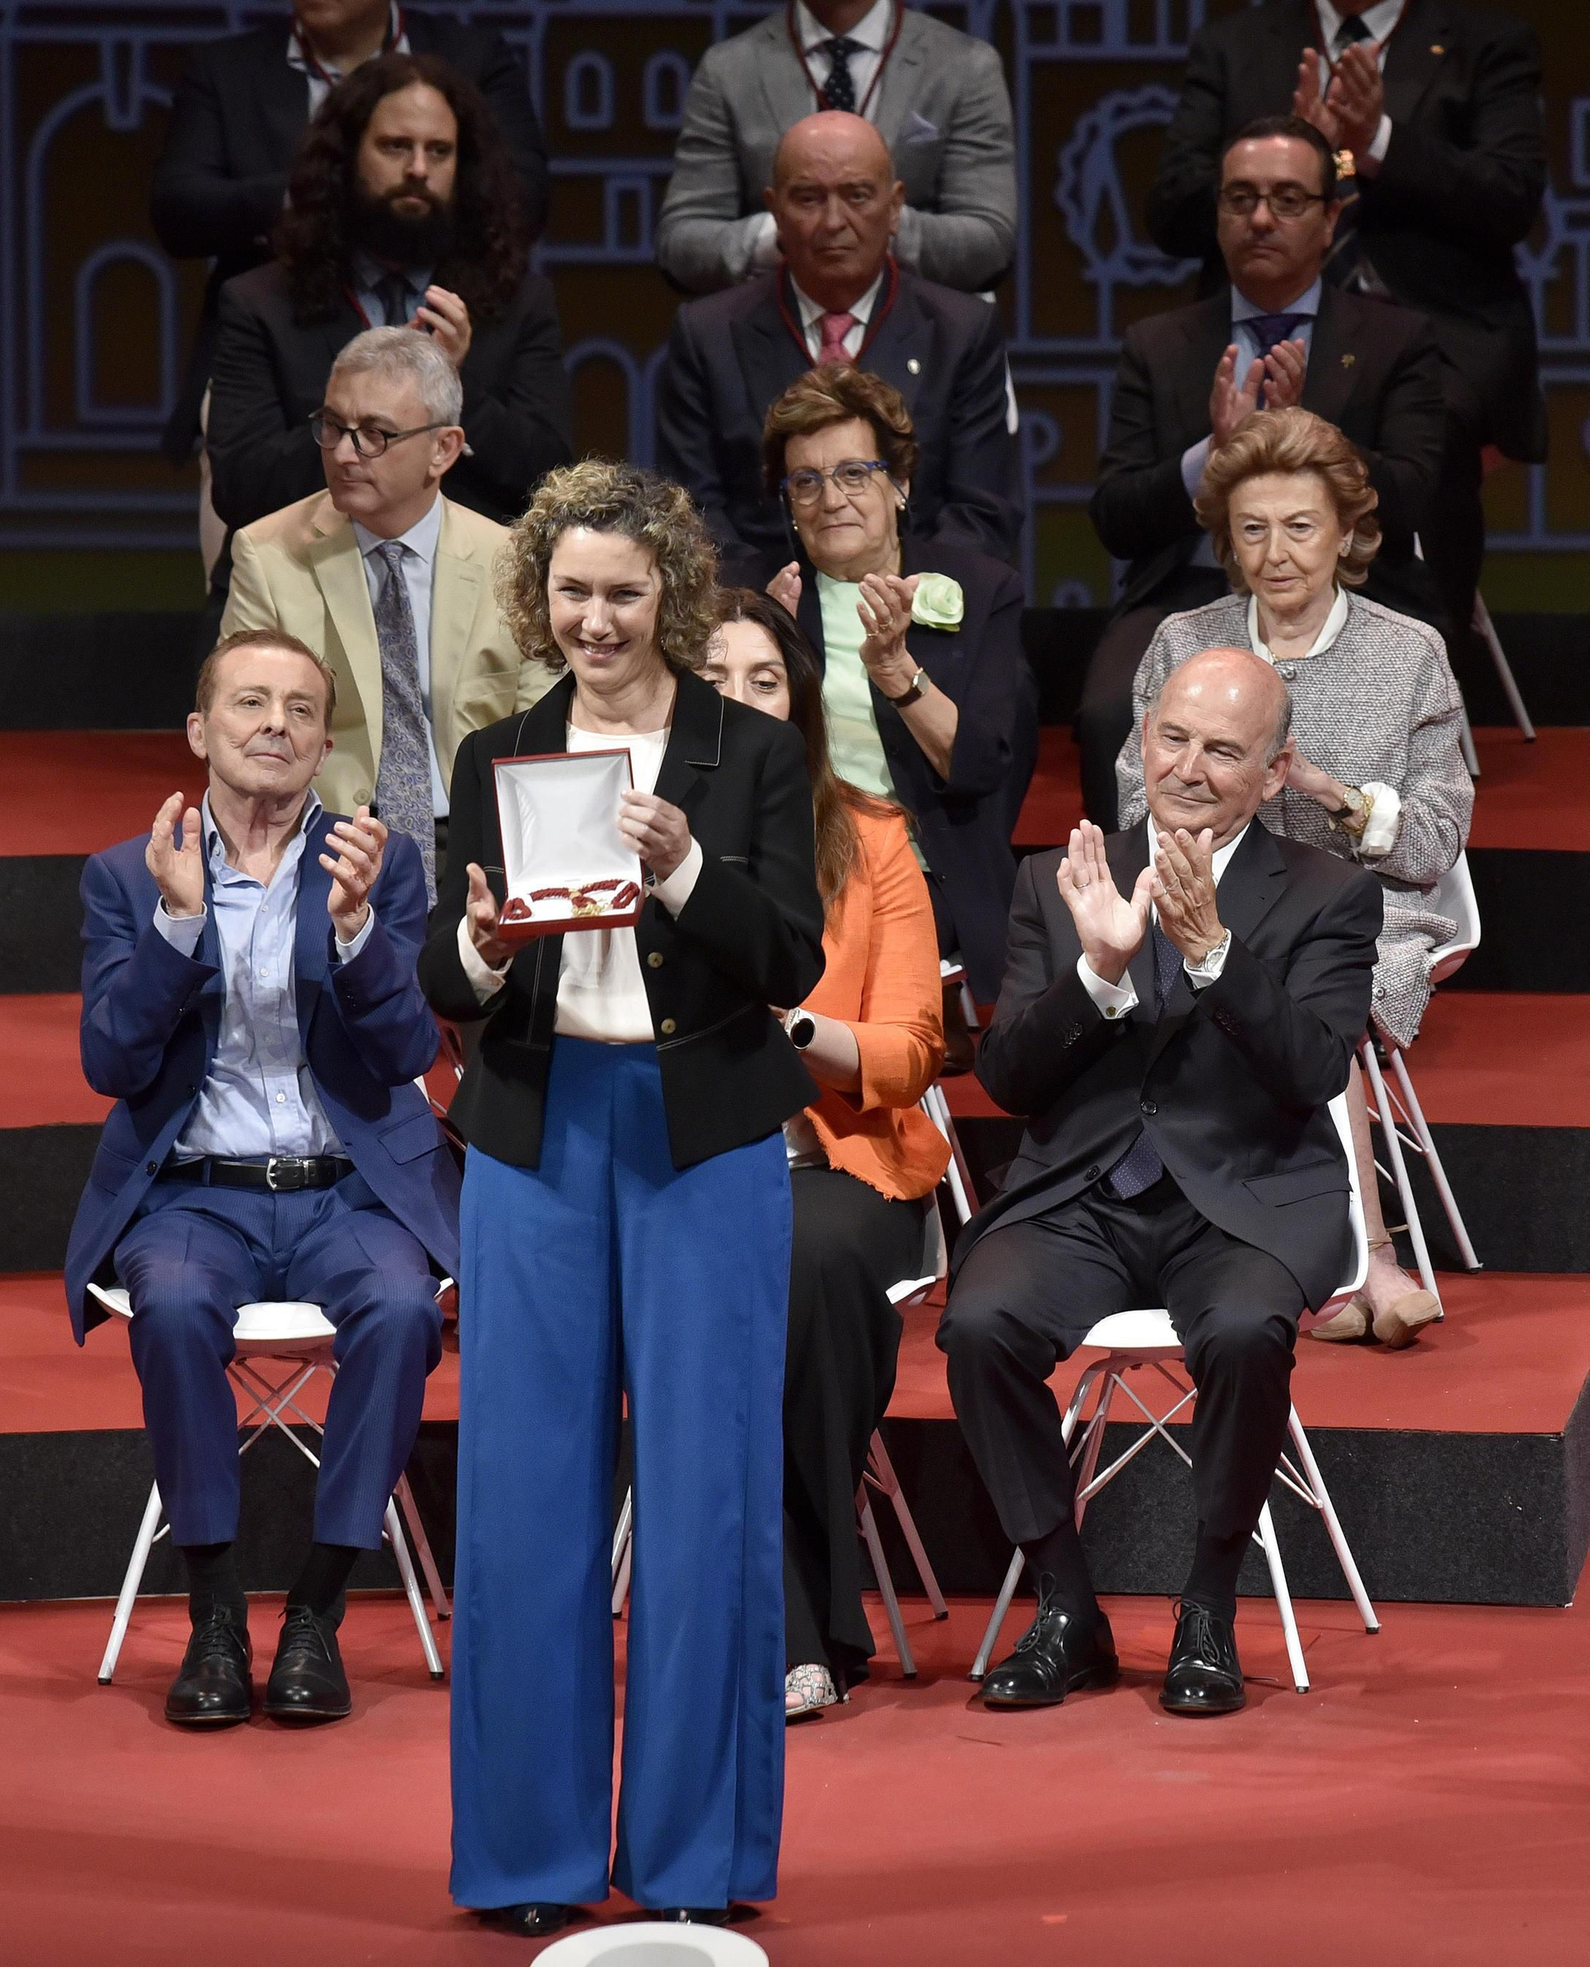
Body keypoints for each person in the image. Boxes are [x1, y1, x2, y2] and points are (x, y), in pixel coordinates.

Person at [418, 462, 825, 1933]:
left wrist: (689, 869)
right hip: (535, 1135)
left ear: (673, 595)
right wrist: (479, 943)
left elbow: (793, 956)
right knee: (524, 1496)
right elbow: (441, 971)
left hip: (700, 1135)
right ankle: (527, 1860)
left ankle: (691, 1858)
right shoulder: (499, 753)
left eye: (624, 593)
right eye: (573, 592)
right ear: (542, 595)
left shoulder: (746, 748)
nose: (596, 619)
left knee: (708, 1495)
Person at [937, 647, 1382, 1716]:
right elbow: (1006, 1082)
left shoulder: (1330, 893)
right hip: (1081, 1196)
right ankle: (1066, 1607)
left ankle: (1208, 1606)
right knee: (980, 1326)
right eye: (1172, 738)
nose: (1187, 767)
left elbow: (1316, 1071)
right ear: (1142, 739)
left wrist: (1218, 955)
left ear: (1272, 772)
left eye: (1222, 751)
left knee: (1243, 1333)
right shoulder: (1060, 878)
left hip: (1245, 1197)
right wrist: (1096, 971)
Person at [64, 629, 458, 1729]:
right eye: (249, 703)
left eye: (299, 710)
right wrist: (178, 922)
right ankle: (216, 1614)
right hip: (197, 1193)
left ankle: (318, 1610)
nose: (274, 724)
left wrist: (357, 932)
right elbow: (112, 1063)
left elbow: (406, 1054)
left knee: (398, 1308)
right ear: (201, 731)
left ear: (326, 745)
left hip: (349, 1189)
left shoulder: (374, 863)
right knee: (175, 1305)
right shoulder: (126, 874)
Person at [1117, 408, 1468, 1348]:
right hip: (1203, 898)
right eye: (1253, 528)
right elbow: (1134, 798)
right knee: (1254, 966)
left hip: (1365, 912)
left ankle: (1361, 1258)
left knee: (1317, 986)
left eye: (1301, 527)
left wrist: (1328, 793)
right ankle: (1359, 1263)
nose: (1276, 553)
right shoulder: (1185, 641)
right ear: (1228, 540)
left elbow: (1436, 841)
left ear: (1347, 533)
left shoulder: (1409, 654)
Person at [1146, 0, 1547, 649]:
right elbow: (1169, 213)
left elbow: (1510, 202)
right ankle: (1185, 640)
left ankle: (1422, 651)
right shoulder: (1236, 45)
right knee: (1179, 398)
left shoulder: (1486, 44)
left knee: (1429, 415)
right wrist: (1288, 157)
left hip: (1433, 329)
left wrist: (1380, 142)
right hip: (1256, 323)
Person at [699, 587, 948, 1717]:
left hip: (834, 1161)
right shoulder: (623, 836)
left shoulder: (870, 837)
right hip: (676, 1163)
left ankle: (782, 1620)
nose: (742, 700)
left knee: (796, 1266)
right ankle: (804, 1628)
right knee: (708, 1267)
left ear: (799, 702)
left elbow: (912, 1049)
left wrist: (796, 1030)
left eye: (765, 680)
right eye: (714, 679)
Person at [151, 0, 549, 572]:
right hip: (292, 343)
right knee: (251, 567)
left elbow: (524, 196)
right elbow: (179, 207)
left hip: (441, 308)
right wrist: (321, 198)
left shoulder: (468, 60)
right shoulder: (229, 68)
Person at [1080, 114, 1444, 827]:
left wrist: (1308, 437)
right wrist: (1212, 458)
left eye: (1287, 199)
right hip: (1187, 591)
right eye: (1240, 198)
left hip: (1347, 588)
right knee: (1107, 709)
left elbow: (1416, 495)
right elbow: (1115, 517)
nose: (1260, 218)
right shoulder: (1159, 343)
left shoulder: (1395, 338)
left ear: (1331, 217)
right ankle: (1134, 877)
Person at [206, 52, 571, 598]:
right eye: (396, 146)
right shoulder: (260, 302)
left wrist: (452, 385)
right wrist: (361, 416)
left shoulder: (519, 301)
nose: (419, 169)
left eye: (439, 151)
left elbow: (551, 485)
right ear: (348, 158)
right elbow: (241, 487)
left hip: (471, 595)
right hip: (299, 587)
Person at [222, 327, 552, 905]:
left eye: (375, 434)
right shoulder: (268, 554)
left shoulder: (510, 562)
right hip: (324, 846)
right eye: (333, 427)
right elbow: (238, 724)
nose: (344, 453)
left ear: (443, 449)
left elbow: (543, 733)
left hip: (482, 844)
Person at [757, 363, 1035, 1034]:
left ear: (900, 483)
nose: (831, 499)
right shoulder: (767, 601)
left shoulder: (980, 588)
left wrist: (897, 672)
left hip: (926, 869)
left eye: (854, 473)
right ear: (789, 503)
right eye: (806, 481)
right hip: (806, 869)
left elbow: (980, 767)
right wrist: (763, 667)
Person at [656, 113, 1021, 586]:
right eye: (808, 198)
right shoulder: (707, 333)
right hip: (756, 606)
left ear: (895, 208)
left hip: (920, 601)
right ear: (775, 211)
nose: (833, 221)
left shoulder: (962, 331)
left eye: (857, 196)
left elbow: (982, 510)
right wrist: (774, 609)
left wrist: (905, 597)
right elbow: (691, 514)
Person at [656, 0, 1015, 297]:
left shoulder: (963, 67)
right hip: (773, 324)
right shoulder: (729, 70)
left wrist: (870, 223)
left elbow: (989, 239)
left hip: (922, 325)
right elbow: (681, 242)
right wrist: (785, 233)